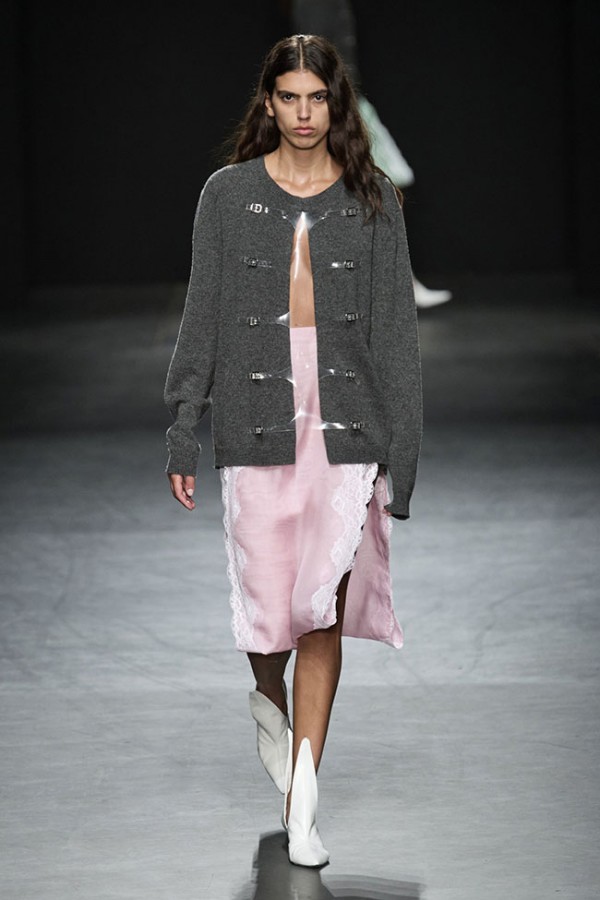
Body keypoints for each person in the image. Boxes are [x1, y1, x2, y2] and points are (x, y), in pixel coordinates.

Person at [164, 34, 422, 868]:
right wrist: (183, 423)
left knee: (320, 609)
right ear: (268, 103)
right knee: (267, 609)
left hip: (347, 426)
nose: (304, 114)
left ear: (333, 104)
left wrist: (403, 453)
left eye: (317, 98)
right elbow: (203, 312)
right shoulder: (228, 195)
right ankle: (266, 698)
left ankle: (303, 799)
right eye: (290, 98)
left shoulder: (373, 198)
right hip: (256, 420)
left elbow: (396, 336)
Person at [289, 0, 453, 308]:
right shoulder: (314, 5)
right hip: (336, 110)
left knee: (384, 187)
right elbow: (308, 57)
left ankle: (394, 285)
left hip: (350, 105)